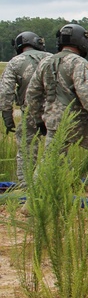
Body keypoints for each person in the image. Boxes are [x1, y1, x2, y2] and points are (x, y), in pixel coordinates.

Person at [25, 24, 88, 184]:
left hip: (55, 124)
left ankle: (33, 200)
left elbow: (32, 94)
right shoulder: (78, 62)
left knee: (48, 162)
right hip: (79, 122)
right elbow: (84, 90)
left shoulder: (45, 63)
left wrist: (38, 120)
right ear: (81, 41)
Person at [0, 32, 51, 186]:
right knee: (58, 147)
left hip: (30, 111)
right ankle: (57, 180)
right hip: (55, 110)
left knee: (26, 150)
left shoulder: (15, 62)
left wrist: (7, 115)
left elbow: (5, 91)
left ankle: (27, 186)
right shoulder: (51, 58)